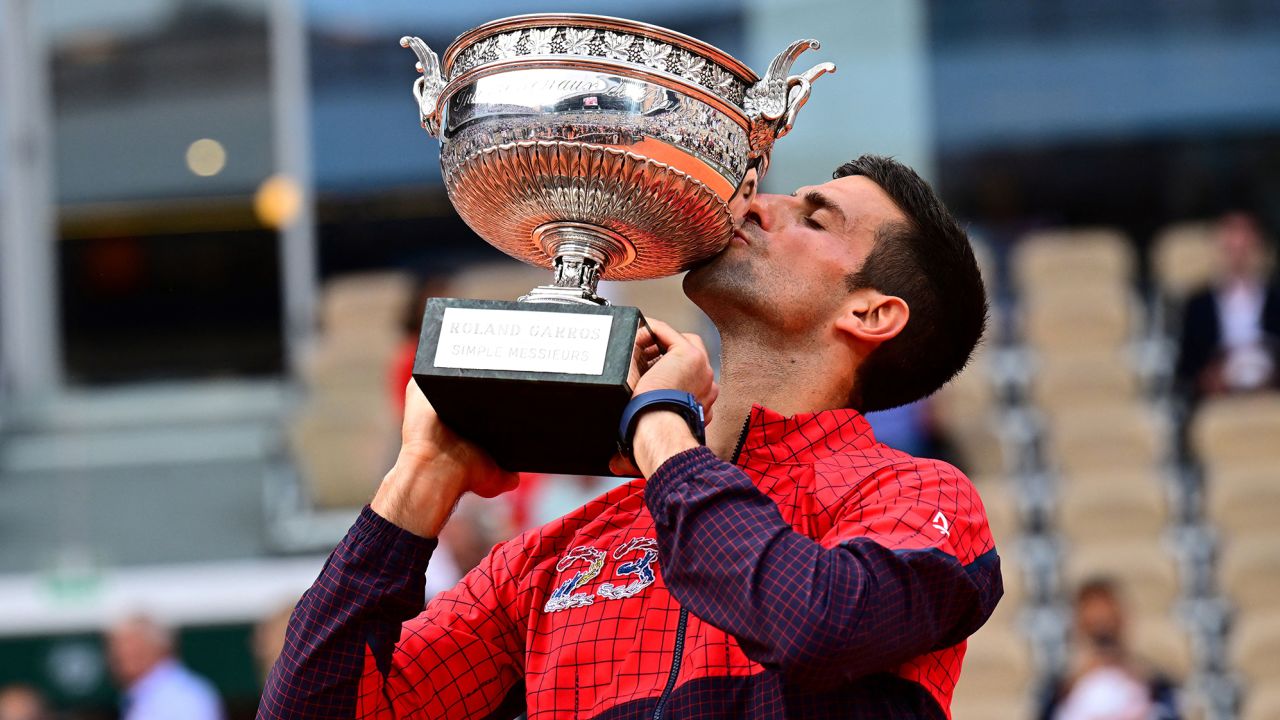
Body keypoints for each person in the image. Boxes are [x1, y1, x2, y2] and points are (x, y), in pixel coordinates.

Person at [260, 155, 1003, 719]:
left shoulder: (917, 497)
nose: (756, 204)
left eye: (814, 218)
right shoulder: (556, 554)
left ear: (873, 313)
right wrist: (421, 477)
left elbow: (811, 621)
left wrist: (660, 427)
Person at [1038, 578, 1179, 720]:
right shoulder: (1060, 692)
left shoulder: (1152, 687)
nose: (1102, 629)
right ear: (1079, 625)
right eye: (1093, 624)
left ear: (1122, 620)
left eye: (1108, 621)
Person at [1175, 211, 1280, 402]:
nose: (1238, 254)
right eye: (1231, 246)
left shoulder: (1275, 300)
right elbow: (1185, 367)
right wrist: (1207, 377)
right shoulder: (1198, 304)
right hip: (1218, 396)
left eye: (1245, 245)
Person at [106, 614, 224, 720]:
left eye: (133, 648)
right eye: (118, 649)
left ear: (160, 648)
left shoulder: (185, 696)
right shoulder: (137, 696)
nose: (121, 655)